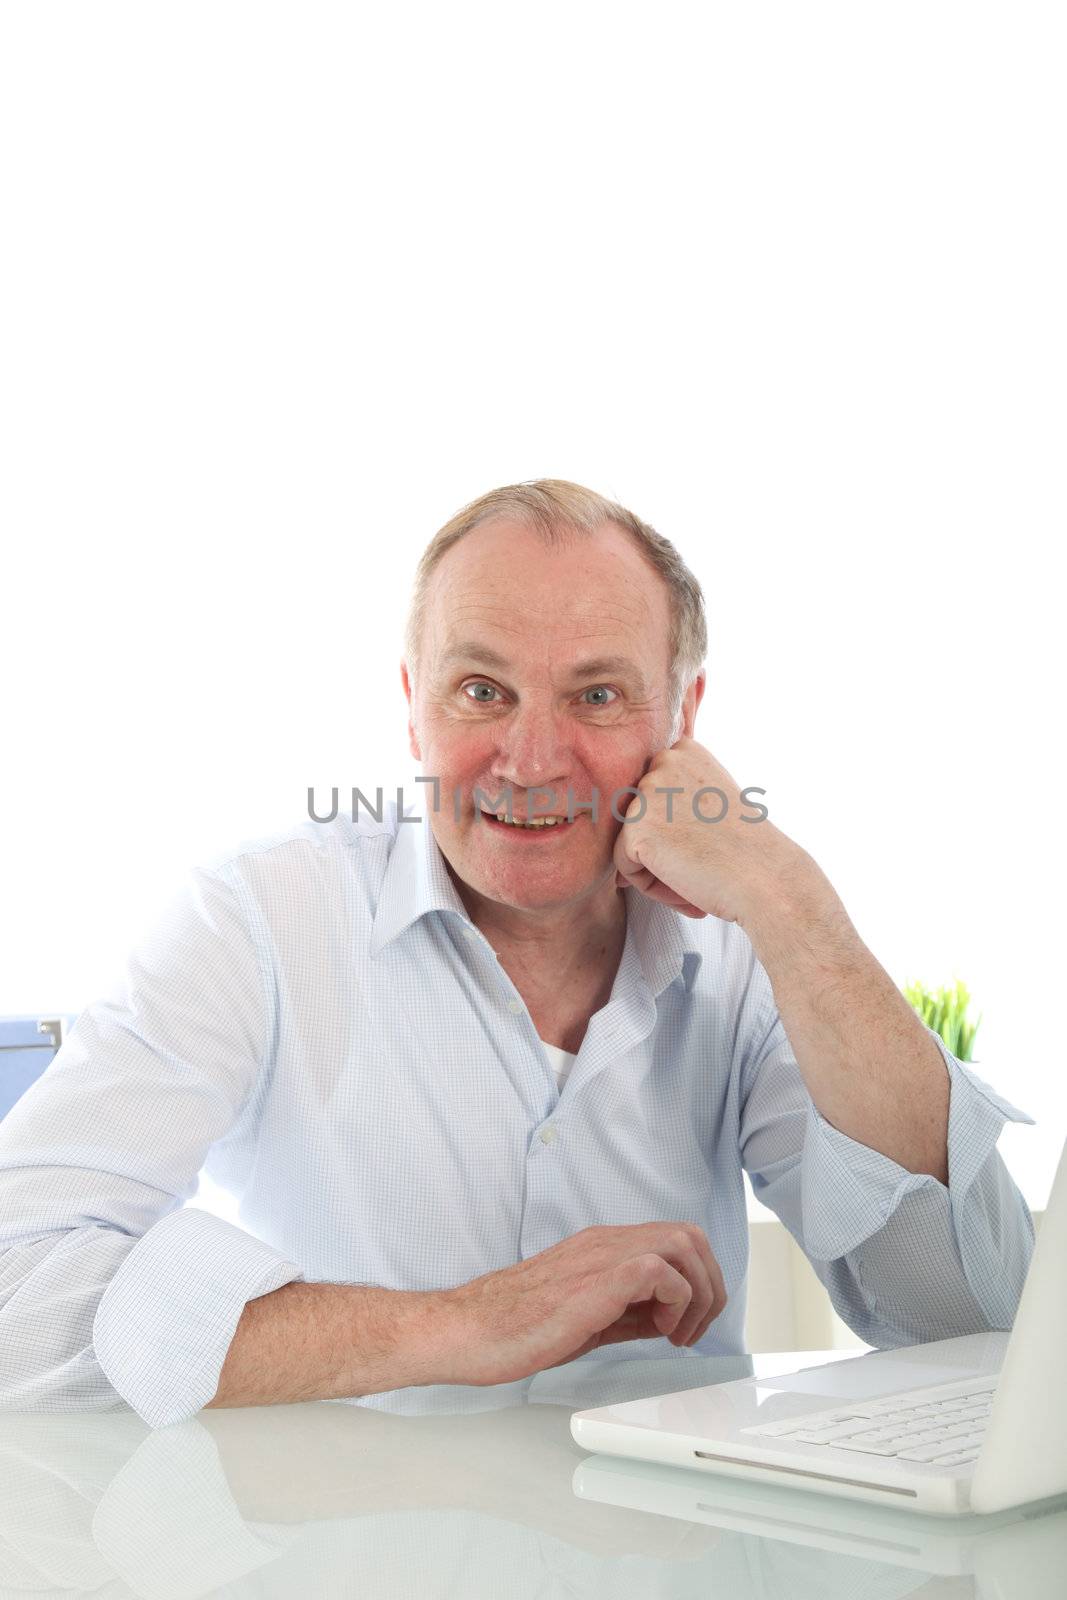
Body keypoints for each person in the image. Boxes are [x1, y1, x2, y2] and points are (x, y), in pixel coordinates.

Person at [0, 479, 1035, 1429]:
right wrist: (451, 1327)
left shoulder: (743, 942)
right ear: (412, 704)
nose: (531, 760)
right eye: (481, 690)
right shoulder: (256, 921)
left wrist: (792, 904)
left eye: (594, 695)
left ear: (684, 717)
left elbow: (972, 1321)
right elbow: (16, 1282)